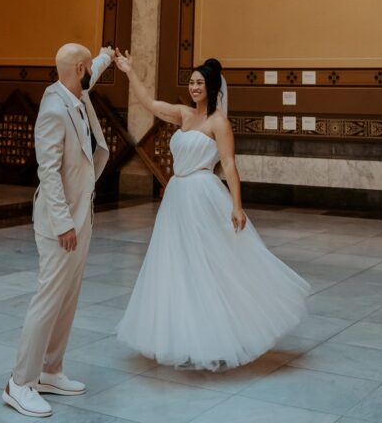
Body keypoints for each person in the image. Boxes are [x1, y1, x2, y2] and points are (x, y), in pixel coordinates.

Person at [114, 50, 309, 371]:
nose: (194, 87)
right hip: (176, 195)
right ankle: (182, 335)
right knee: (176, 262)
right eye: (191, 82)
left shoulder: (219, 123)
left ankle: (217, 334)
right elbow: (149, 104)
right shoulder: (182, 114)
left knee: (208, 261)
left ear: (212, 86)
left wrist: (237, 205)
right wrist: (129, 71)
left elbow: (230, 164)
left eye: (200, 83)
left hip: (203, 194)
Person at [3, 43, 113, 418]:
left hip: (84, 216)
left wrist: (106, 56)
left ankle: (50, 370)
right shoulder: (53, 110)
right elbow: (47, 171)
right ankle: (19, 383)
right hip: (59, 223)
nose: (90, 74)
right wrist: (65, 222)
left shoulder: (76, 88)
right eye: (88, 68)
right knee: (49, 298)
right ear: (76, 68)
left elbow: (92, 70)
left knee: (68, 298)